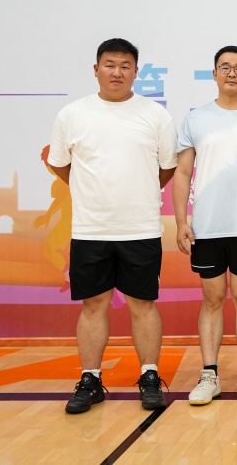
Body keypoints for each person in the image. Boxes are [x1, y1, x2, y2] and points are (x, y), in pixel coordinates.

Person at [47, 38, 178, 414]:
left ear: (136, 71)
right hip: (91, 229)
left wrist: (139, 191)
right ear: (96, 69)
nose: (117, 72)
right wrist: (88, 190)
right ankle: (90, 379)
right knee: (93, 304)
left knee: (143, 304)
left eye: (125, 66)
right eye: (109, 64)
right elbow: (60, 164)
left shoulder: (155, 115)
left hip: (140, 228)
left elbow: (166, 167)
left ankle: (149, 376)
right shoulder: (72, 114)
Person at [173, 46, 237, 406]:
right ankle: (209, 375)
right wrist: (181, 221)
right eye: (225, 67)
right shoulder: (196, 119)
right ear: (214, 74)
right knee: (213, 298)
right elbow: (183, 172)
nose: (232, 73)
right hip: (207, 227)